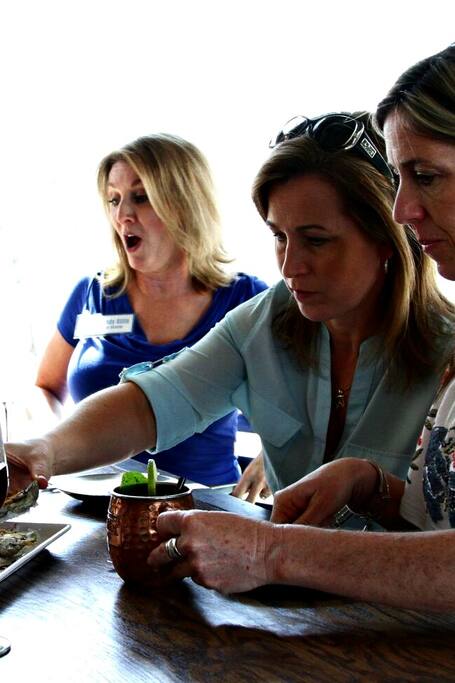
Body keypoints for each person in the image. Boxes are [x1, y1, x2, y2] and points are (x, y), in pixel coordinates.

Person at [138, 43, 455, 611]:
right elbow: (439, 518)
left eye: (426, 176)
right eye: (279, 236)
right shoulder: (265, 318)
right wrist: (368, 482)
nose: (404, 209)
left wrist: (271, 552)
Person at [7, 106, 452, 497]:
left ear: (389, 238)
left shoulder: (446, 354)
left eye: (316, 240)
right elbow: (150, 404)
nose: (290, 266)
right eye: (279, 237)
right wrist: (41, 451)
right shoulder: (266, 320)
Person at [32, 133, 267, 487]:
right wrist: (53, 448)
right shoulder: (91, 293)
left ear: (185, 203)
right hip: (89, 500)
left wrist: (271, 457)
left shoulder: (247, 298)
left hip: (206, 501)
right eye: (114, 199)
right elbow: (47, 385)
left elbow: (304, 402)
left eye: (140, 197)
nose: (122, 215)